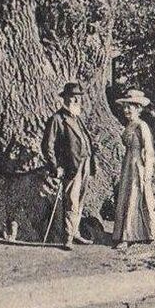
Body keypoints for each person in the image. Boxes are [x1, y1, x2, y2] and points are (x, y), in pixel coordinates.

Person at [42, 81, 96, 250]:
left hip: (85, 163)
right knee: (71, 200)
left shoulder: (77, 118)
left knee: (80, 199)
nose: (75, 101)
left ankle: (75, 231)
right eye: (72, 98)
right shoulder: (58, 119)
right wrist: (55, 166)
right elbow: (47, 145)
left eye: (78, 98)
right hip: (71, 166)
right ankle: (67, 237)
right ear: (65, 99)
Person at [111, 89, 155, 248]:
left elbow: (148, 150)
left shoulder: (142, 126)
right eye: (125, 107)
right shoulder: (129, 125)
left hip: (138, 165)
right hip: (128, 164)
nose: (126, 110)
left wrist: (148, 171)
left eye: (130, 107)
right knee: (126, 196)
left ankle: (129, 236)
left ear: (138, 108)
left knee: (136, 196)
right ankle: (127, 233)